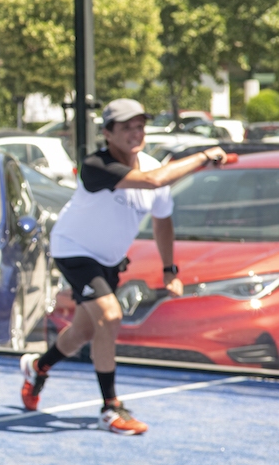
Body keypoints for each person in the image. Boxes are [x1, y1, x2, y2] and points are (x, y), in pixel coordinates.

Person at [19, 98, 227, 435]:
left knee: (85, 331)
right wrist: (203, 156)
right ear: (108, 133)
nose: (136, 133)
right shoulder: (96, 165)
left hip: (109, 260)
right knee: (111, 315)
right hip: (74, 251)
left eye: (140, 126)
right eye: (126, 127)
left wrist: (169, 270)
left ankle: (38, 367)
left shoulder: (151, 166)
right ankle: (110, 408)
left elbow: (162, 221)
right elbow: (154, 180)